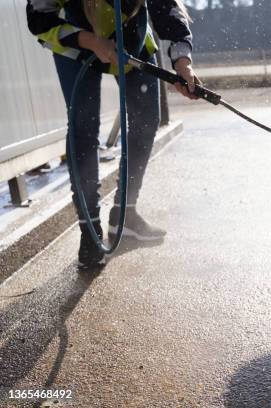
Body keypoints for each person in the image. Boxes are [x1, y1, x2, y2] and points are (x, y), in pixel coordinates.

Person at [26, 0, 201, 269]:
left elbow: (167, 10)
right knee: (83, 128)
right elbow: (39, 19)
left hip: (131, 40)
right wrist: (93, 41)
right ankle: (90, 229)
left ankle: (125, 214)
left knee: (146, 120)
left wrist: (183, 63)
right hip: (75, 42)